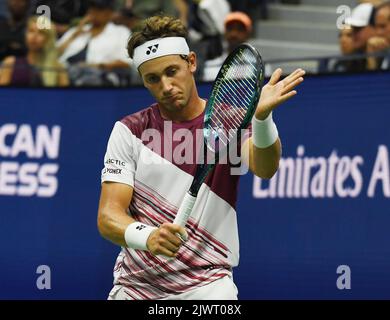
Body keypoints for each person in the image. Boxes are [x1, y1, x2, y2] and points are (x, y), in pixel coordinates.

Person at [97, 15, 305, 300]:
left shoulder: (229, 123)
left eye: (172, 71)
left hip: (209, 287)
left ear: (191, 62)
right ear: (144, 82)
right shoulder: (128, 131)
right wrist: (148, 237)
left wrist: (262, 119)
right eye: (153, 79)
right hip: (136, 287)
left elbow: (265, 167)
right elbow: (109, 217)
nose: (166, 86)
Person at [56, 0, 131, 86]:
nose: (93, 12)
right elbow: (53, 54)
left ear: (110, 13)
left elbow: (126, 63)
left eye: (99, 10)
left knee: (90, 78)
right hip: (64, 73)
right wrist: (74, 34)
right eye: (92, 9)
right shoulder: (76, 31)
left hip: (98, 75)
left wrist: (94, 66)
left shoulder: (121, 32)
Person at [0, 15, 69, 86]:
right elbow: (4, 95)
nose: (34, 36)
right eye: (31, 31)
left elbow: (64, 96)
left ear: (48, 38)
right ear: (25, 34)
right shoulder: (11, 63)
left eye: (41, 32)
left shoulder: (58, 68)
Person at [202, 11, 252, 81]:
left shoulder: (260, 66)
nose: (234, 34)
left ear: (248, 34)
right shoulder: (210, 67)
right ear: (225, 32)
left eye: (239, 29)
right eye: (230, 29)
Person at [366, 1, 390, 70]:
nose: (378, 32)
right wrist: (371, 56)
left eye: (383, 26)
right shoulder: (382, 53)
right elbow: (372, 80)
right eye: (376, 27)